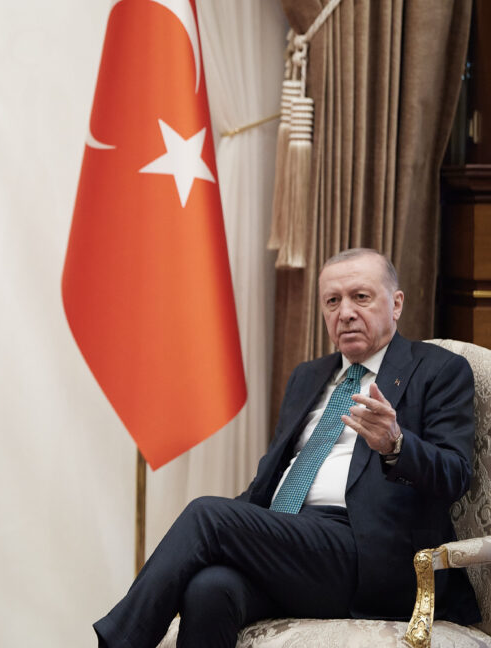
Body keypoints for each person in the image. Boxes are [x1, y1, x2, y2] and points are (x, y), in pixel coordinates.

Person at [94, 248, 481, 647]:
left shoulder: (438, 369)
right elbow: (270, 479)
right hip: (291, 541)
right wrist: (240, 523)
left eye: (360, 297)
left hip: (368, 553)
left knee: (206, 514)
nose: (345, 312)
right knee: (209, 589)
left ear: (396, 304)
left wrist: (395, 445)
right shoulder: (308, 376)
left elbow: (454, 474)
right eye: (333, 301)